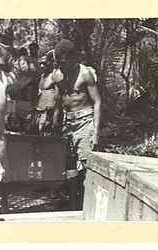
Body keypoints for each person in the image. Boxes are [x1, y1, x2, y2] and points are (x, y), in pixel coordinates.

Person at [54, 39, 101, 210]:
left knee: (87, 164)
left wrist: (95, 131)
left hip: (85, 123)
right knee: (69, 165)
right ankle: (73, 203)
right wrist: (55, 123)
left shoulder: (85, 74)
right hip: (67, 124)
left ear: (73, 58)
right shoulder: (57, 75)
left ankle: (89, 206)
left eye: (64, 62)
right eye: (58, 62)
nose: (61, 66)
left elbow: (97, 101)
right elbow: (59, 101)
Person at [30, 50, 63, 136]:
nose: (42, 65)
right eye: (40, 63)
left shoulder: (55, 75)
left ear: (51, 62)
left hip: (49, 113)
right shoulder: (42, 75)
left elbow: (58, 98)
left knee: (47, 137)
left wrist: (54, 118)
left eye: (45, 63)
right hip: (38, 111)